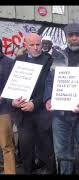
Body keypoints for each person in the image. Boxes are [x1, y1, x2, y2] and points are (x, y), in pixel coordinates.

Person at [44, 23, 79, 174]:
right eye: (70, 35)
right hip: (60, 115)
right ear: (66, 37)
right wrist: (48, 99)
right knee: (62, 155)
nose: (74, 38)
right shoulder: (57, 56)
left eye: (77, 35)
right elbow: (49, 81)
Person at [10, 33, 55, 174]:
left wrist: (35, 103)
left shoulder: (48, 60)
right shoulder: (18, 60)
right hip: (23, 112)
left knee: (46, 146)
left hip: (41, 111)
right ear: (25, 45)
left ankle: (50, 170)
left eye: (38, 44)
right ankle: (28, 170)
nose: (36, 48)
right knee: (25, 146)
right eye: (32, 45)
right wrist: (12, 100)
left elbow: (48, 86)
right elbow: (11, 84)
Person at [0, 39, 16, 174]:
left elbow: (12, 86)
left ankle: (10, 172)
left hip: (4, 110)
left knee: (6, 145)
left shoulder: (9, 63)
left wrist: (3, 96)